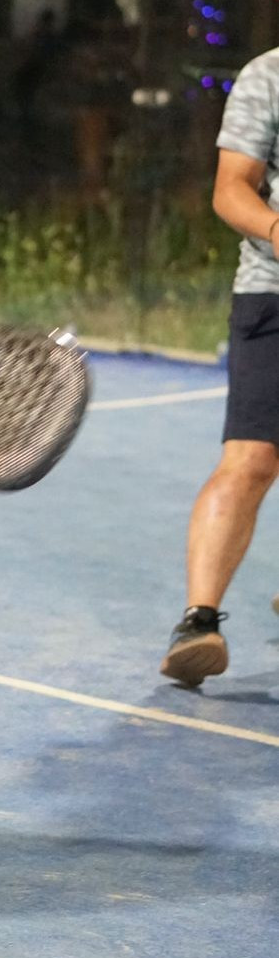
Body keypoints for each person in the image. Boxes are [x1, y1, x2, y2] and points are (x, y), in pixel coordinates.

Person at [160, 47, 279, 688]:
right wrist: (277, 230)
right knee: (251, 458)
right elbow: (231, 188)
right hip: (273, 296)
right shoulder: (269, 77)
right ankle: (198, 623)